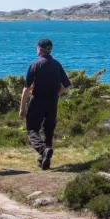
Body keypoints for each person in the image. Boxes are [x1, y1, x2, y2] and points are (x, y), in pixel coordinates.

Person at [20, 37, 70, 169]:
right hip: (52, 102)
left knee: (32, 130)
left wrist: (22, 108)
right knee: (48, 131)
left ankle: (43, 150)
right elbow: (65, 85)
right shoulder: (57, 65)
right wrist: (56, 94)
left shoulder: (35, 65)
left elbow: (26, 88)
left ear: (40, 49)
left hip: (37, 102)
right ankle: (44, 161)